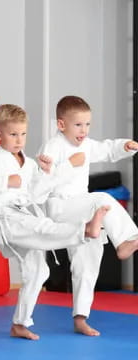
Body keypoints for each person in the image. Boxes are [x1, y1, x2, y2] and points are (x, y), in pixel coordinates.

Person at [0, 104, 109, 340]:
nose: (19, 140)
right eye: (13, 134)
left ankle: (20, 324)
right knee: (43, 228)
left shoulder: (31, 163)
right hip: (7, 218)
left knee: (38, 271)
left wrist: (47, 174)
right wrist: (6, 181)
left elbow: (39, 195)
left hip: (26, 213)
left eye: (23, 134)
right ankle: (84, 230)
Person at [40, 95, 138, 336]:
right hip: (60, 207)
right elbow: (42, 183)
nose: (83, 131)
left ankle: (80, 317)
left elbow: (105, 149)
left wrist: (124, 146)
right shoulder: (53, 147)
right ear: (61, 125)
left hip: (81, 210)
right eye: (78, 125)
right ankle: (127, 240)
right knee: (103, 199)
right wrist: (70, 165)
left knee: (88, 260)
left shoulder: (85, 144)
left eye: (87, 125)